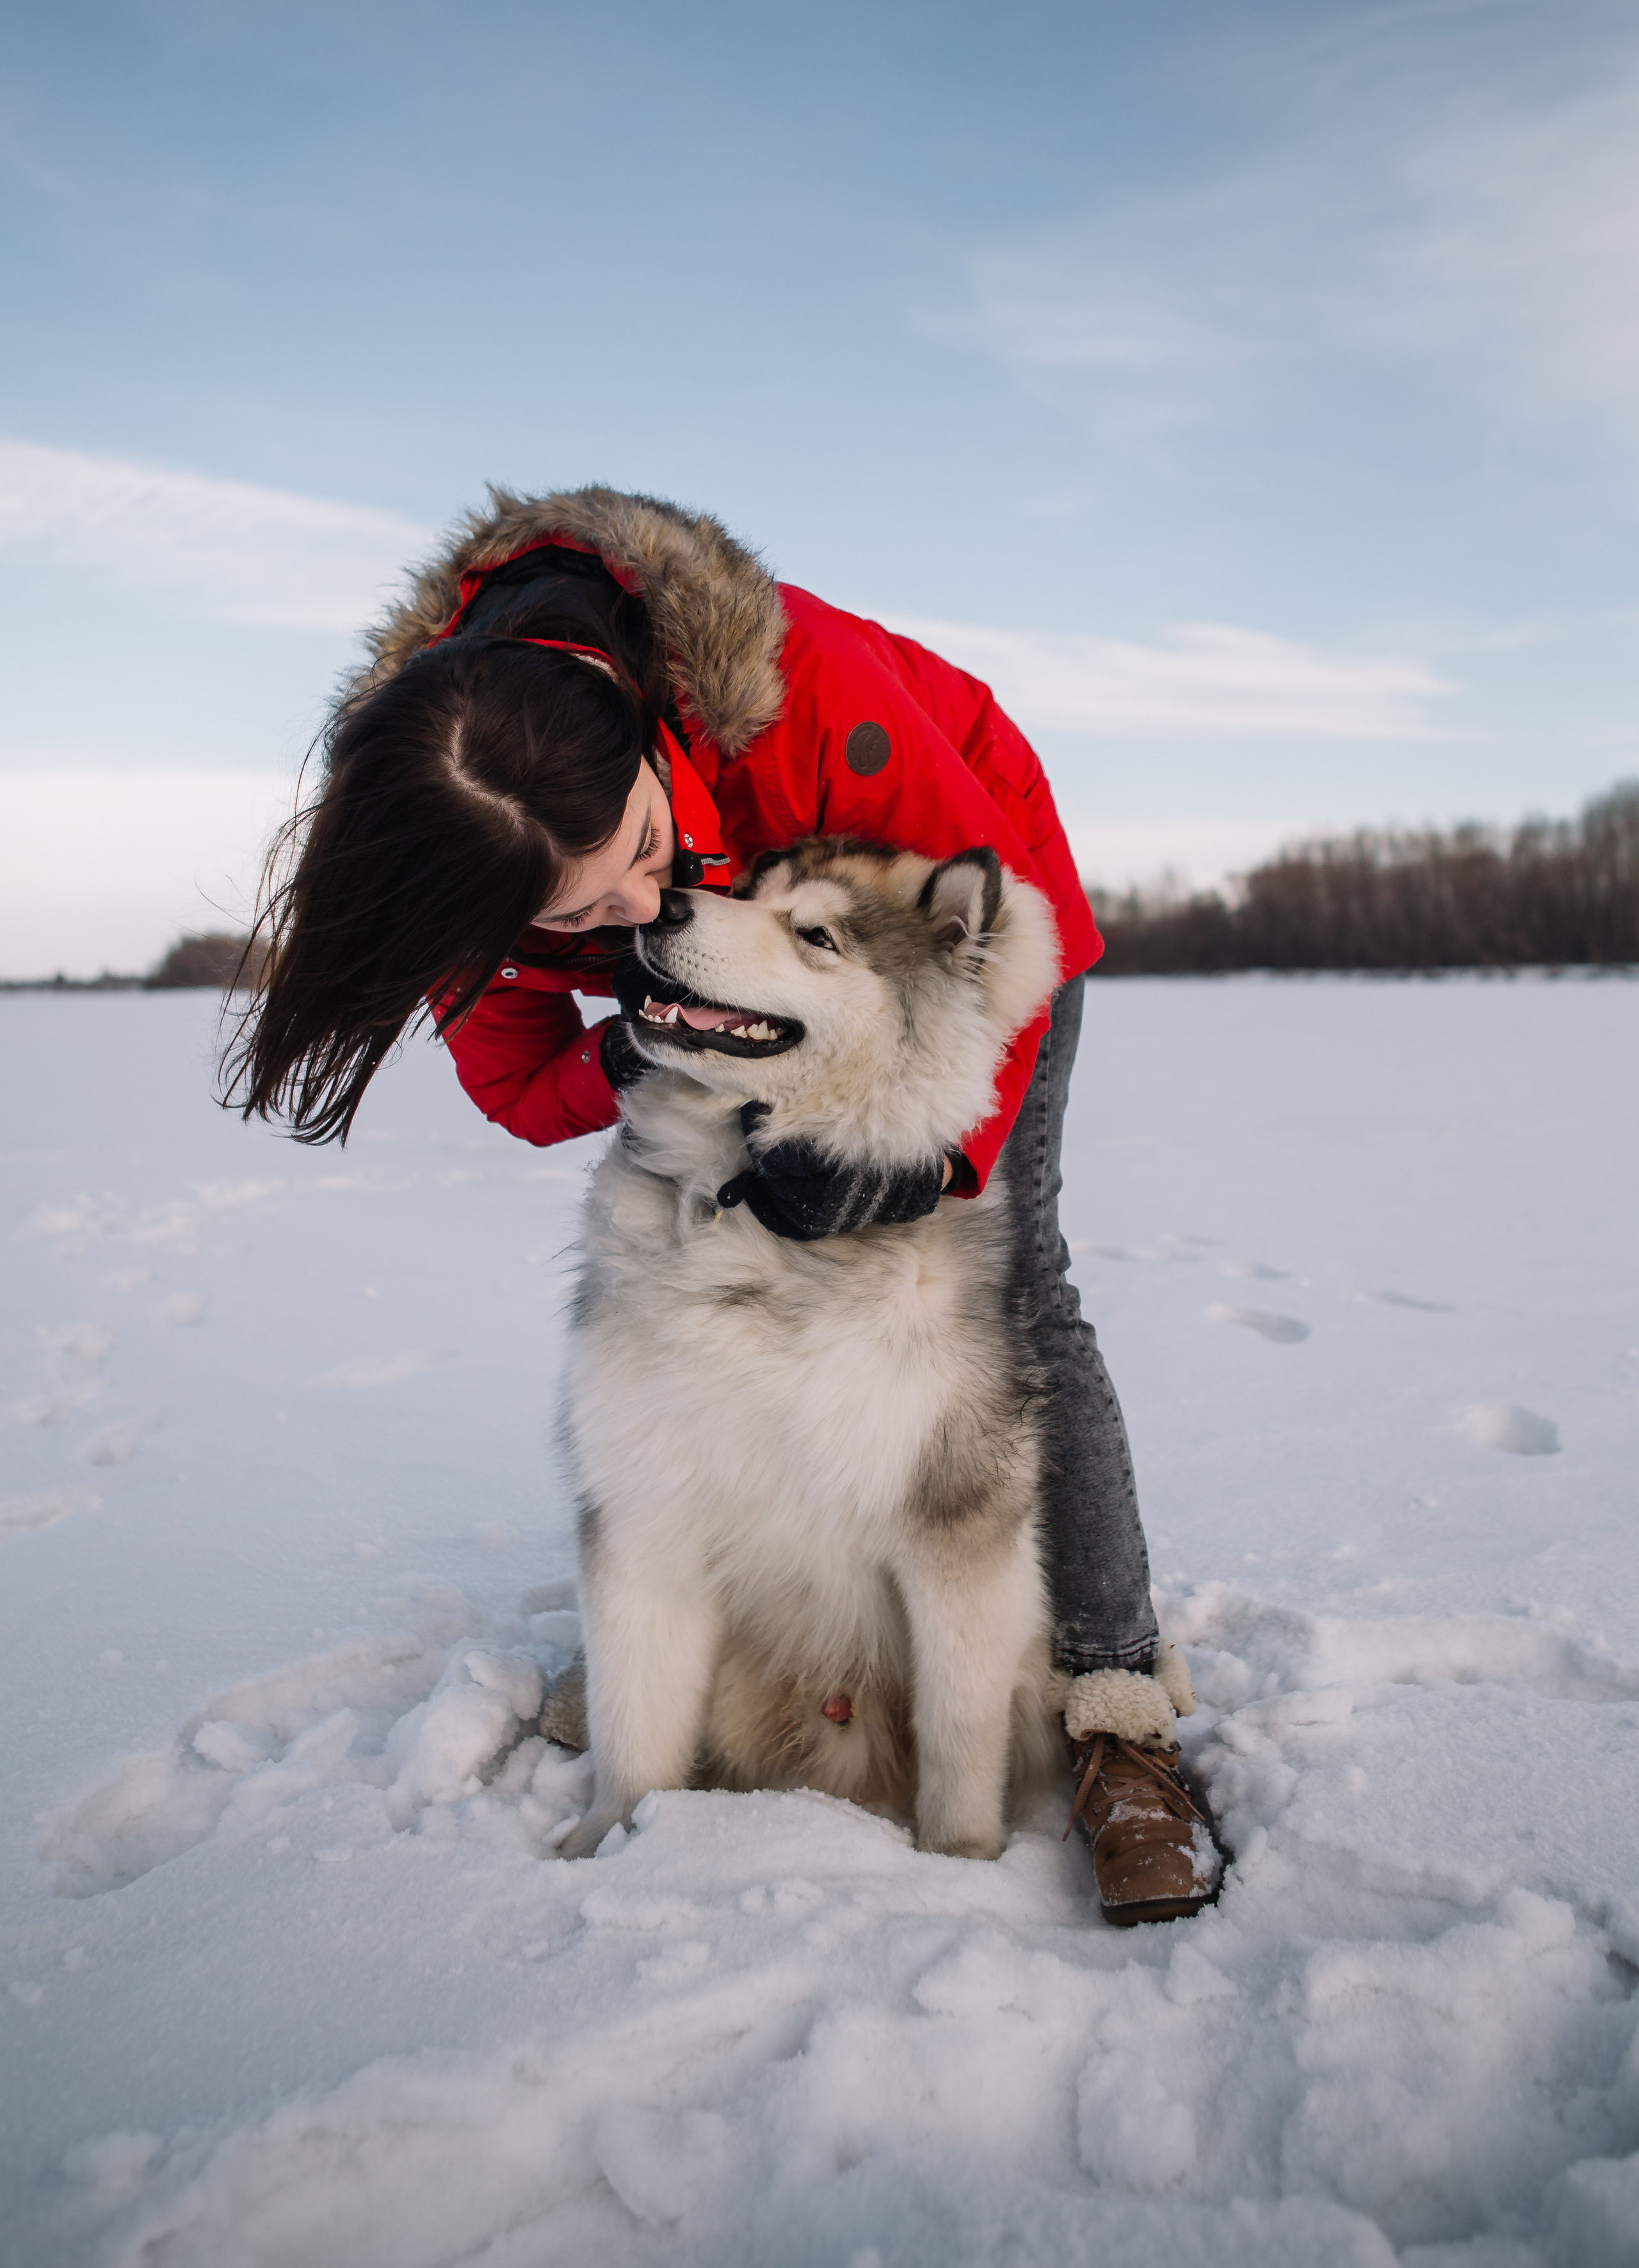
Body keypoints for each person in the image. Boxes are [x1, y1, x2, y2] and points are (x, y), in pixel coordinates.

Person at [229, 484, 1217, 1925]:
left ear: (641, 736)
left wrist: (919, 1165)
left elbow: (978, 970)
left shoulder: (797, 699)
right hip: (733, 1003)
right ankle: (742, 1620)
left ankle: (1116, 1716)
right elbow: (518, 1083)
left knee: (1006, 1291)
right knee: (711, 1298)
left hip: (960, 933)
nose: (634, 910)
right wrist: (646, 1025)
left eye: (640, 848)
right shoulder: (451, 842)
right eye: (572, 920)